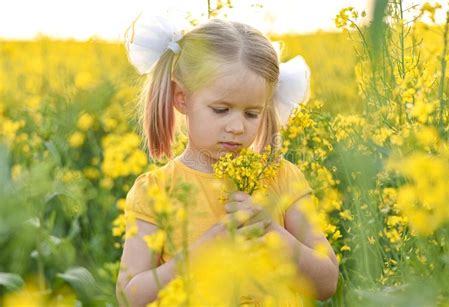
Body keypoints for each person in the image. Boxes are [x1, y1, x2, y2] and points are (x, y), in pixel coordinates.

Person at [116, 12, 339, 307]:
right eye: (221, 110)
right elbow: (129, 296)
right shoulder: (157, 190)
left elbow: (326, 284)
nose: (237, 127)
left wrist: (271, 231)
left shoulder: (283, 177)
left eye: (252, 113)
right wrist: (203, 251)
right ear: (181, 98)